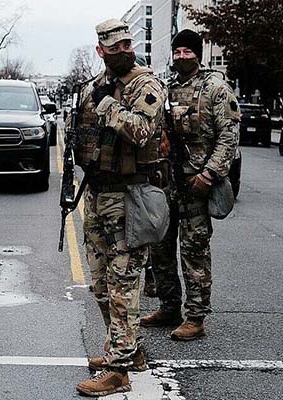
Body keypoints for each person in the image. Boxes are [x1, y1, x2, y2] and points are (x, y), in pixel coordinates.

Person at [72, 19, 166, 397]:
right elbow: (82, 134)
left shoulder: (146, 83)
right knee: (99, 282)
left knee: (124, 283)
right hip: (97, 195)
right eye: (115, 47)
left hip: (130, 197)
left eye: (127, 43)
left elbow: (141, 129)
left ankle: (118, 370)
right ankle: (128, 349)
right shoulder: (93, 86)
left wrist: (108, 104)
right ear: (101, 51)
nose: (124, 50)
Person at [140, 29, 240, 341]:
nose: (182, 57)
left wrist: (209, 174)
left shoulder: (216, 88)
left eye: (188, 51)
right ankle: (169, 307)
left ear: (198, 54)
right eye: (178, 51)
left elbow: (229, 134)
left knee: (194, 250)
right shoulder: (167, 89)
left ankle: (195, 317)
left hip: (198, 183)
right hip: (167, 182)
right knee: (161, 247)